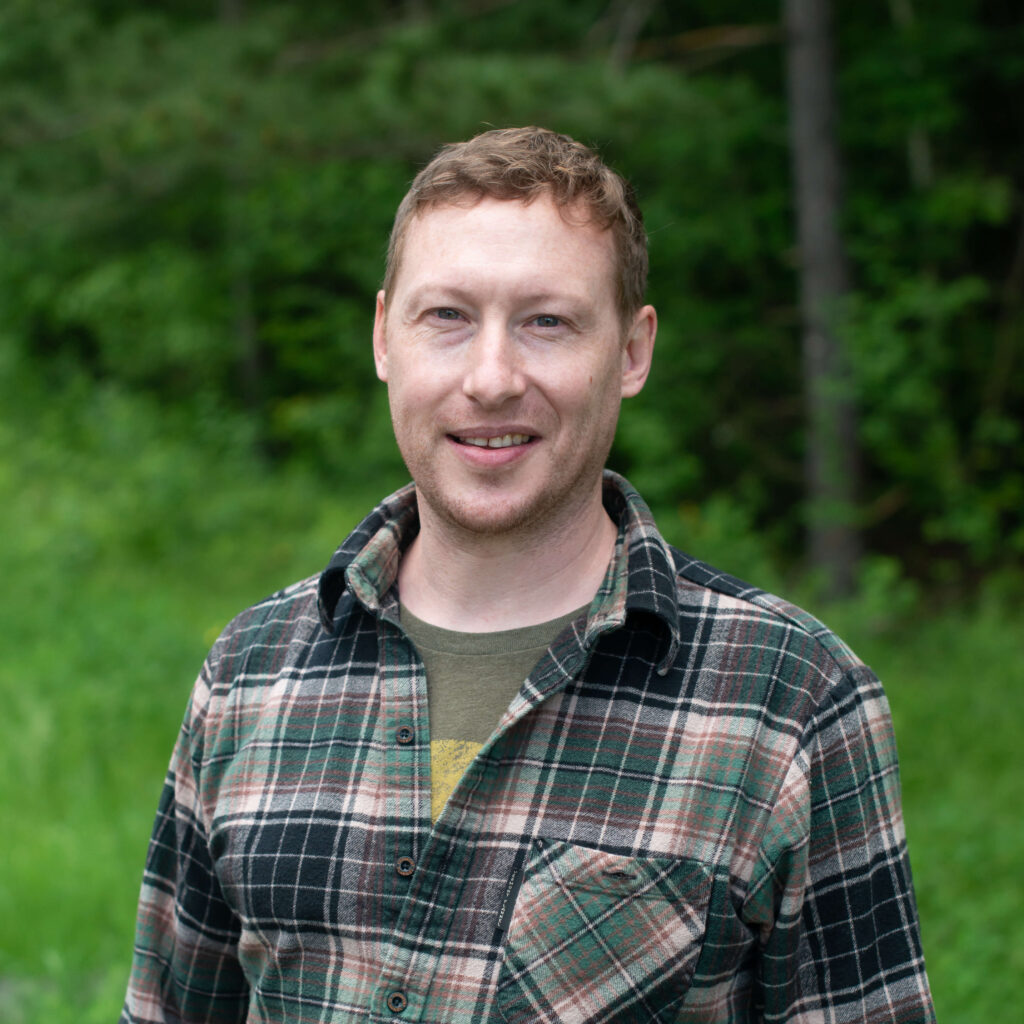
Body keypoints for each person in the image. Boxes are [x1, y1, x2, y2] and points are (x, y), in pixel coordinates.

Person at [121, 126, 935, 1023]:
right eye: (448, 318)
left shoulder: (792, 701)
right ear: (385, 338)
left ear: (631, 352)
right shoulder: (250, 673)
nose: (492, 377)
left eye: (547, 321)